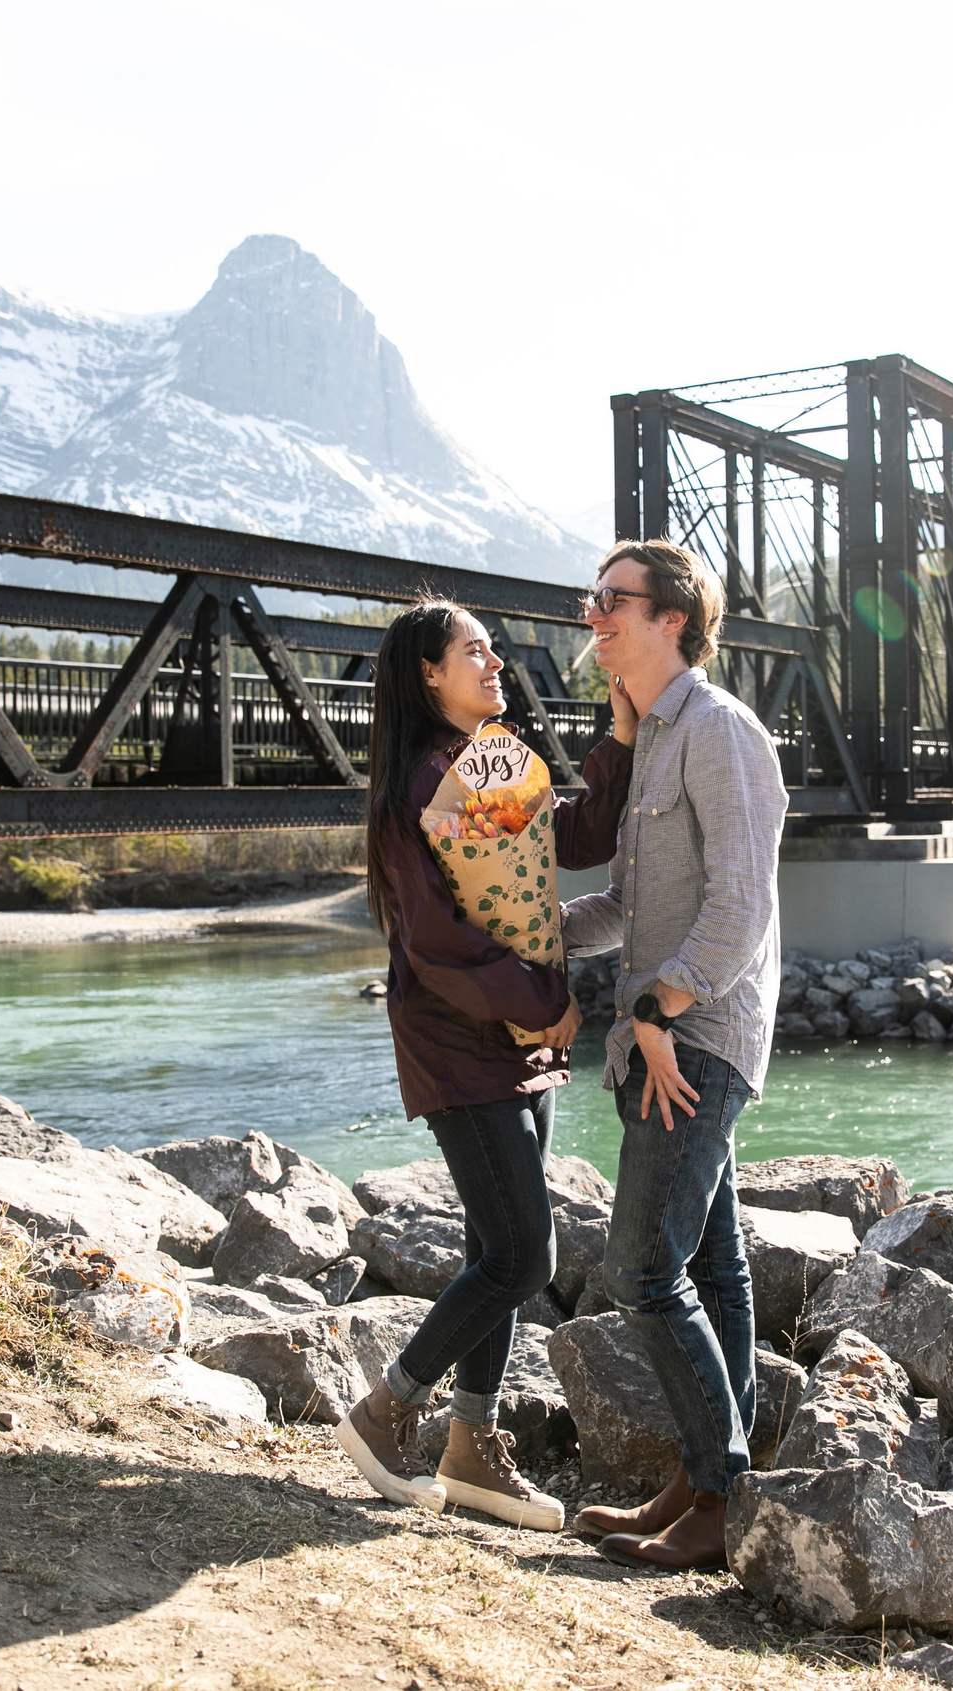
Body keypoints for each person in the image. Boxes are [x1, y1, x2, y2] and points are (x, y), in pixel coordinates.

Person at [334, 599, 636, 1529]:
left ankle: (472, 1446)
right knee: (523, 1254)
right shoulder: (421, 785)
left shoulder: (488, 763)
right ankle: (387, 1410)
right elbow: (437, 942)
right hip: (461, 1039)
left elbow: (569, 843)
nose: (496, 661)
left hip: (517, 1038)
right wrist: (546, 1000)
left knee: (490, 1245)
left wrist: (620, 743)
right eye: (476, 650)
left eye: (493, 648)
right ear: (429, 673)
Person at [560, 539, 789, 1573]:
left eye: (615, 598)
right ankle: (703, 1487)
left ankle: (720, 1487)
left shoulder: (720, 730)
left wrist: (659, 1005)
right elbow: (625, 905)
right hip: (664, 1034)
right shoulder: (652, 738)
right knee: (711, 1266)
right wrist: (522, 931)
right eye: (592, 597)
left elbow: (741, 906)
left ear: (673, 619)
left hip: (693, 1039)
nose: (594, 615)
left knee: (642, 1268)